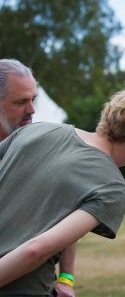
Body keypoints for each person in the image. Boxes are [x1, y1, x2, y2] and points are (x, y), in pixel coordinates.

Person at [0, 79, 125, 296]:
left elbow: (60, 215)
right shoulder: (113, 188)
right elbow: (35, 250)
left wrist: (66, 277)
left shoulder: (36, 131)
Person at [0, 58, 77, 297]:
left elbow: (69, 213)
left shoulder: (44, 149)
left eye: (34, 99)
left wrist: (66, 277)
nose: (32, 110)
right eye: (21, 102)